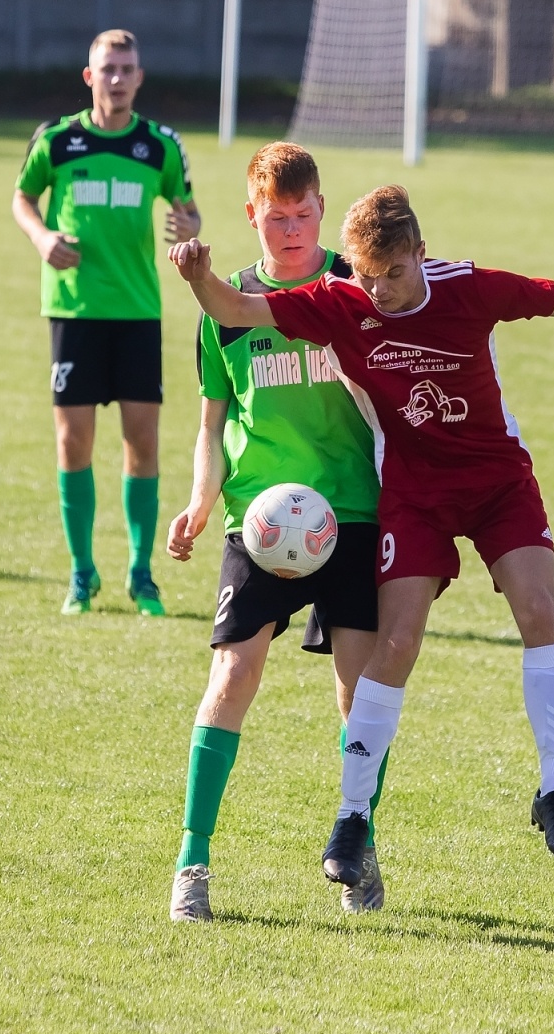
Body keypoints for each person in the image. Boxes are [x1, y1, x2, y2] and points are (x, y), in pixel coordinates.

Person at [168, 185, 554, 888]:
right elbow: (237, 308)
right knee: (397, 642)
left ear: (421, 253)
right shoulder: (343, 302)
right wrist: (198, 276)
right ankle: (352, 819)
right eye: (367, 275)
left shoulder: (470, 289)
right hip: (412, 493)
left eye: (395, 274)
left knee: (539, 611)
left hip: (498, 481)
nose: (380, 291)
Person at [165, 142, 389, 921]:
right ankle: (192, 863)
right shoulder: (225, 309)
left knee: (360, 696)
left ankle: (357, 844)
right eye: (275, 218)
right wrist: (199, 500)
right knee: (231, 678)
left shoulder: (354, 289)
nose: (290, 231)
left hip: (354, 513)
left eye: (303, 216)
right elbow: (212, 420)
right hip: (260, 521)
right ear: (251, 214)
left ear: (322, 211)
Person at [12, 28, 202, 616]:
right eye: (107, 68)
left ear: (140, 78)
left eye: (127, 68)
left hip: (138, 311)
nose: (117, 78)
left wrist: (189, 226)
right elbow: (22, 197)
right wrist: (42, 236)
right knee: (74, 443)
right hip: (74, 310)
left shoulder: (161, 146)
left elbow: (187, 208)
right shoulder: (58, 140)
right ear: (89, 76)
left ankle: (142, 576)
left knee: (141, 443)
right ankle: (80, 574)